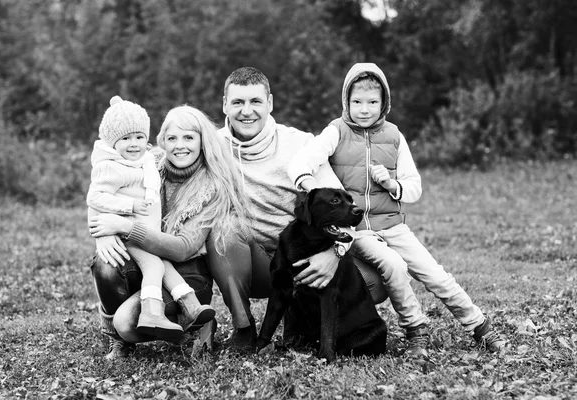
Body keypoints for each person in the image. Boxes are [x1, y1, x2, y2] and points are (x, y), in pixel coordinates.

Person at [287, 62, 507, 355]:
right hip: (359, 230)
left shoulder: (394, 135)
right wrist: (313, 187)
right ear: (346, 102)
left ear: (384, 103)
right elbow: (299, 164)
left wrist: (392, 185)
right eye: (357, 102)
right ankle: (416, 330)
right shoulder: (335, 131)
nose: (364, 109)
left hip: (393, 224)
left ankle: (480, 327)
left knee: (435, 275)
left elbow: (413, 186)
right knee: (394, 265)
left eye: (372, 102)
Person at [210, 66, 388, 351]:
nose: (247, 111)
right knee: (224, 232)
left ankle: (300, 322)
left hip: (302, 258)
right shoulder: (213, 147)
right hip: (252, 262)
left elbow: (342, 203)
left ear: (270, 103)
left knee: (373, 283)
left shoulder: (301, 144)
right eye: (238, 102)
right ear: (224, 105)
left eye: (255, 101)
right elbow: (170, 158)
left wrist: (334, 254)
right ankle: (244, 329)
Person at [88, 104, 249, 358]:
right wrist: (104, 233)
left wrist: (128, 227)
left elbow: (182, 248)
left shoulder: (211, 187)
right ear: (162, 140)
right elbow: (102, 194)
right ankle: (118, 342)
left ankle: (193, 322)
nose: (179, 145)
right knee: (105, 263)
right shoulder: (147, 167)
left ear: (202, 141)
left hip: (188, 275)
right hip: (149, 265)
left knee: (127, 323)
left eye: (188, 137)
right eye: (172, 138)